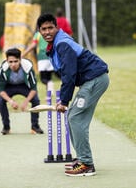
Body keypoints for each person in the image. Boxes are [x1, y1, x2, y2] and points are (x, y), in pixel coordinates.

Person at [37, 13, 109, 177]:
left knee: (75, 118)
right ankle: (83, 159)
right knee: (75, 118)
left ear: (57, 27)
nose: (47, 31)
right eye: (44, 29)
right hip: (91, 80)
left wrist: (64, 100)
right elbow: (66, 73)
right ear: (39, 31)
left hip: (95, 79)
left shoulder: (62, 43)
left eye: (50, 28)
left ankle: (87, 164)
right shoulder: (54, 45)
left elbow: (69, 73)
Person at [0, 48, 44, 135]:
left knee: (36, 100)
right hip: (9, 87)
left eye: (15, 61)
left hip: (24, 86)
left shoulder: (28, 67)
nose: (13, 64)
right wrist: (11, 101)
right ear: (7, 61)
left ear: (20, 60)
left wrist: (26, 102)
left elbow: (34, 89)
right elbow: (1, 91)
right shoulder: (3, 69)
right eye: (10, 62)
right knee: (0, 101)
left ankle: (35, 126)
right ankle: (6, 127)